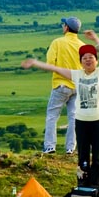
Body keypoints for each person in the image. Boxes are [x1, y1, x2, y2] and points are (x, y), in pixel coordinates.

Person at [22, 30, 99, 190]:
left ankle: (96, 187)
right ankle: (83, 186)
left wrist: (95, 38)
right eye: (84, 58)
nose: (88, 60)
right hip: (82, 122)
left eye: (91, 57)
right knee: (83, 157)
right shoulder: (76, 75)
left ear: (96, 60)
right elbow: (54, 68)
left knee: (97, 157)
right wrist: (35, 63)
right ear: (81, 62)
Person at [41, 16, 83, 154]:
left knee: (52, 116)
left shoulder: (58, 42)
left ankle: (50, 147)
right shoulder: (83, 46)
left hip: (61, 84)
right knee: (74, 118)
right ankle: (70, 148)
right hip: (78, 86)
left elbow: (50, 63)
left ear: (66, 27)